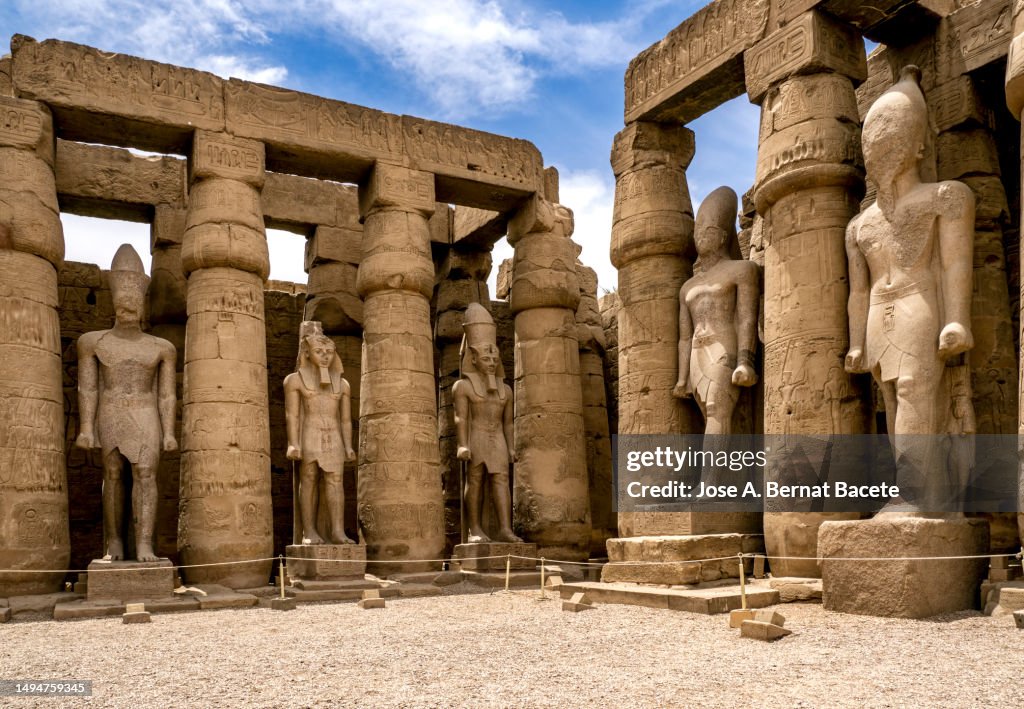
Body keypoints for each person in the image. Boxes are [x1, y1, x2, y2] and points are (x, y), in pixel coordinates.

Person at [844, 65, 975, 514]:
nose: (882, 147)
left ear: (919, 144)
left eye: (893, 136)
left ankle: (917, 495)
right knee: (891, 403)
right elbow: (858, 291)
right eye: (873, 140)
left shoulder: (947, 197)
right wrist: (855, 342)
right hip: (878, 314)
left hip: (921, 303)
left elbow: (956, 263)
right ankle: (917, 491)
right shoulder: (859, 225)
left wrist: (957, 318)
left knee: (916, 391)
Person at [76, 244, 177, 562]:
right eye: (123, 301)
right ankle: (114, 543)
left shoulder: (161, 347)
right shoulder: (92, 342)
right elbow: (88, 388)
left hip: (146, 411)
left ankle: (145, 543)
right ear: (114, 302)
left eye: (134, 301)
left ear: (142, 305)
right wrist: (85, 428)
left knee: (146, 474)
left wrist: (170, 431)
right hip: (111, 409)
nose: (129, 306)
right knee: (113, 473)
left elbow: (166, 393)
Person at [671, 186, 759, 434]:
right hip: (697, 354)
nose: (700, 237)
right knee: (710, 414)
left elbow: (746, 319)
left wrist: (745, 361)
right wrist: (682, 377)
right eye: (697, 232)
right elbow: (685, 337)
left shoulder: (742, 270)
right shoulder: (687, 286)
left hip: (724, 348)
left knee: (716, 410)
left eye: (708, 232)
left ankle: (709, 475)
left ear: (723, 237)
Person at [452, 303, 521, 543]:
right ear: (473, 359)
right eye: (485, 357)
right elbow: (461, 417)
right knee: (476, 479)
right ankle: (474, 529)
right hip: (477, 436)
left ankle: (504, 528)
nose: (491, 362)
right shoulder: (464, 386)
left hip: (498, 438)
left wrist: (512, 447)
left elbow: (509, 423)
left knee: (501, 480)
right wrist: (462, 444)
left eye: (494, 357)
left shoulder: (507, 390)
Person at [284, 321, 356, 544]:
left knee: (335, 481)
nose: (325, 357)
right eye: (319, 352)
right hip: (310, 433)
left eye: (329, 352)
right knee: (309, 478)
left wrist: (348, 445)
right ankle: (309, 532)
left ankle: (336, 530)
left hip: (333, 434)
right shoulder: (294, 380)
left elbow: (345, 420)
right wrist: (293, 443)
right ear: (307, 354)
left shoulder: (342, 384)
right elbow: (293, 415)